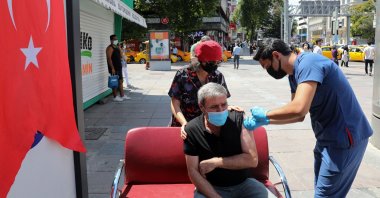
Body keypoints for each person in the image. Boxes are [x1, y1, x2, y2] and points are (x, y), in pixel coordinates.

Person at [245, 39, 373, 197]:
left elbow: (299, 108)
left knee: (324, 195)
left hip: (344, 139)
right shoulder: (293, 75)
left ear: (276, 55)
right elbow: (297, 115)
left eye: (267, 66)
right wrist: (266, 121)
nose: (268, 71)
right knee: (321, 192)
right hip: (326, 139)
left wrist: (265, 114)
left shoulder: (308, 63)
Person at [184, 82, 273, 198]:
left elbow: (252, 160)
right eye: (214, 107)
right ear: (202, 107)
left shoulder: (239, 119)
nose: (220, 110)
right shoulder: (192, 129)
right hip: (211, 187)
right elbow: (193, 171)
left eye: (224, 104)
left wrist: (216, 162)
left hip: (244, 185)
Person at [106, 35, 130, 101]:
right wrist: (112, 68)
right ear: (111, 40)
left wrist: (120, 49)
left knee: (120, 81)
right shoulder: (109, 48)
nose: (116, 40)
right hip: (114, 68)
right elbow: (109, 59)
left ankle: (122, 95)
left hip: (119, 67)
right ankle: (115, 97)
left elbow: (121, 55)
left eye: (116, 39)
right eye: (115, 39)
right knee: (114, 82)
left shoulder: (117, 47)